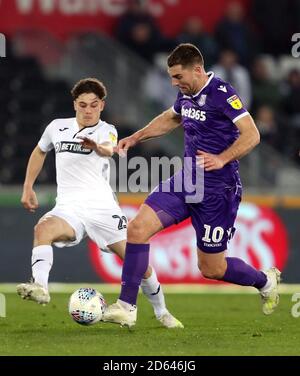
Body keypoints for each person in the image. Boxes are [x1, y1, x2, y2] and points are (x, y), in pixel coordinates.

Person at [103, 44, 281, 328]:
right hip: (187, 180)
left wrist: (222, 158)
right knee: (137, 229)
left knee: (212, 269)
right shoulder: (186, 94)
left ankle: (265, 280)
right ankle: (126, 306)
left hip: (218, 191)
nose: (174, 83)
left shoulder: (222, 93)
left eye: (177, 76)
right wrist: (136, 137)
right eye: (172, 77)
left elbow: (252, 134)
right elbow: (170, 118)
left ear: (197, 69)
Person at [16, 77, 183, 329]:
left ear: (101, 106)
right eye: (82, 105)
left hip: (102, 210)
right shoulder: (56, 127)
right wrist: (28, 186)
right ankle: (40, 286)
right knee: (42, 230)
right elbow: (40, 151)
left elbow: (108, 149)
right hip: (69, 208)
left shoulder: (107, 130)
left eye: (93, 105)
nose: (88, 110)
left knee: (137, 263)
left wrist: (96, 146)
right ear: (75, 104)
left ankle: (162, 312)